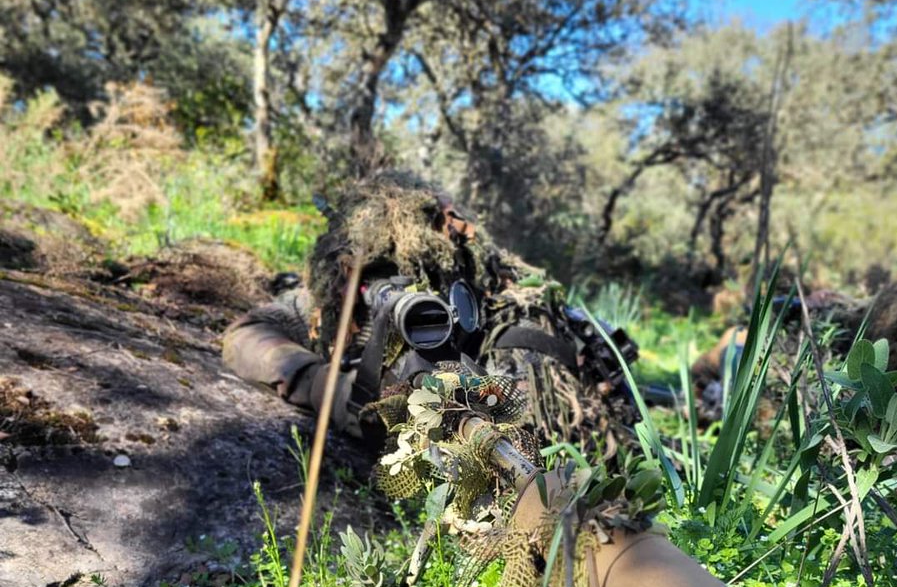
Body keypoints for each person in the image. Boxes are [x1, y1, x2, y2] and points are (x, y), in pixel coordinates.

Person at [223, 171, 639, 460]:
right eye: (380, 272)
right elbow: (248, 336)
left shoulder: (496, 304)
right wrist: (328, 388)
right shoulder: (341, 303)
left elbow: (536, 424)